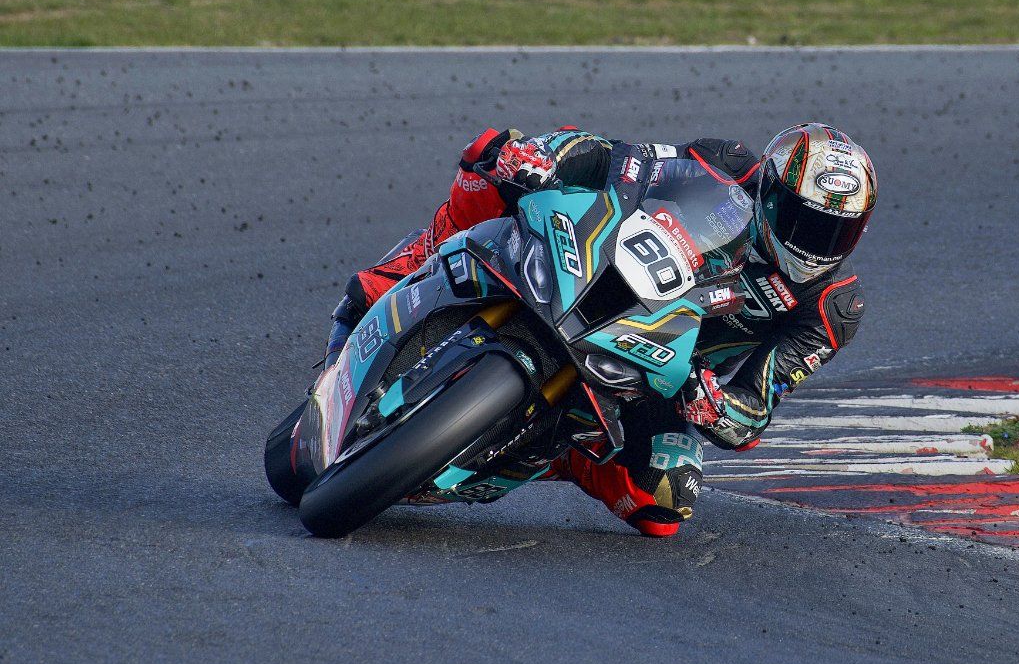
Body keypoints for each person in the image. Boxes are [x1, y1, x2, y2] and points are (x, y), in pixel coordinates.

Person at [322, 123, 873, 537]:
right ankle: (402, 270)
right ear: (772, 194)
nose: (817, 244)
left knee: (666, 501)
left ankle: (552, 447)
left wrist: (716, 406)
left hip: (664, 370)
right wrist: (542, 158)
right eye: (808, 223)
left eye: (837, 234)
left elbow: (755, 407)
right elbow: (622, 162)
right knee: (493, 160)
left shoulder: (831, 308)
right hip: (602, 268)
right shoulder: (725, 163)